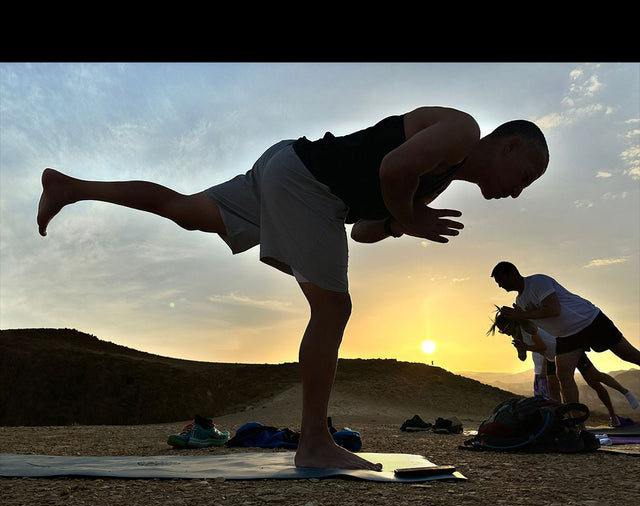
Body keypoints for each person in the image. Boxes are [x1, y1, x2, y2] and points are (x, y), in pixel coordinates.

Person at [37, 107, 549, 471]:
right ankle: (315, 443)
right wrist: (410, 216)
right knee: (332, 309)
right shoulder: (462, 131)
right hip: (309, 184)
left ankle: (70, 187)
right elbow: (392, 170)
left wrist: (400, 221)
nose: (518, 190)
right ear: (510, 146)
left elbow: (363, 229)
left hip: (288, 166)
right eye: (525, 174)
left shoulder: (436, 180)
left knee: (184, 210)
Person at [491, 262, 640, 411]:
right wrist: (522, 320)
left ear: (511, 273)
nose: (500, 285)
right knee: (563, 375)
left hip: (590, 320)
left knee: (630, 355)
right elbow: (532, 329)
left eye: (500, 280)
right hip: (567, 335)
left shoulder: (538, 281)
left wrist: (523, 314)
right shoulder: (520, 301)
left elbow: (553, 309)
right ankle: (578, 427)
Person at [488, 308, 639, 426]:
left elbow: (541, 345)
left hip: (568, 349)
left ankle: (624, 393)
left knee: (594, 378)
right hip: (553, 358)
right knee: (555, 393)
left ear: (513, 322)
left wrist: (525, 347)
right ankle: (568, 424)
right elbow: (522, 357)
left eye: (504, 328)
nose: (505, 332)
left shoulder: (528, 327)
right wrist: (521, 348)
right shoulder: (517, 336)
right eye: (502, 331)